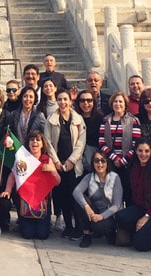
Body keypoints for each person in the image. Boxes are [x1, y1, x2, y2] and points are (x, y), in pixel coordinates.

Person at [114, 138, 151, 251]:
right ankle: (142, 231)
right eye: (140, 151)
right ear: (135, 151)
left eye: (147, 151)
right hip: (143, 207)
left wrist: (146, 217)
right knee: (121, 217)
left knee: (141, 245)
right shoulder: (134, 167)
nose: (143, 154)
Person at [1, 131, 60, 240]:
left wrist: (53, 170)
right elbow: (12, 175)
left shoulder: (47, 159)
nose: (35, 142)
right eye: (32, 140)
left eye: (38, 140)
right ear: (28, 143)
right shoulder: (22, 158)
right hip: (25, 202)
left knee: (42, 235)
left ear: (42, 144)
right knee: (27, 235)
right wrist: (8, 190)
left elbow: (57, 182)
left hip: (42, 203)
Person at [45, 89, 86, 240]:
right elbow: (47, 142)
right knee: (62, 197)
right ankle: (67, 226)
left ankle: (78, 227)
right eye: (60, 99)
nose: (62, 102)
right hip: (58, 163)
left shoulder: (78, 119)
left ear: (70, 101)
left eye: (65, 99)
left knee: (74, 195)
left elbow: (81, 143)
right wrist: (55, 161)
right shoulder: (51, 119)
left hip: (73, 164)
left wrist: (71, 160)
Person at [72, 150, 123, 248]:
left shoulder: (115, 177)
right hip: (94, 211)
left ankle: (109, 232)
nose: (100, 164)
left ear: (107, 162)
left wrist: (101, 216)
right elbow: (76, 192)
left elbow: (117, 205)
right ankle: (86, 234)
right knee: (80, 201)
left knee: (101, 226)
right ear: (93, 163)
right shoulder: (89, 177)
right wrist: (86, 207)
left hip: (109, 215)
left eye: (103, 161)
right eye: (96, 161)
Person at [99, 91, 141, 204]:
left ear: (125, 104)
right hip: (111, 162)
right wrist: (114, 158)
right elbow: (102, 142)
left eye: (120, 101)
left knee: (128, 193)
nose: (118, 104)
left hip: (128, 163)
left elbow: (136, 143)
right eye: (115, 101)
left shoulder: (133, 121)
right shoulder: (106, 120)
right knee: (112, 195)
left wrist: (123, 160)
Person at [74, 89, 104, 171]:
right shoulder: (74, 117)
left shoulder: (100, 118)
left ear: (94, 102)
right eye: (82, 100)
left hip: (93, 156)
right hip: (76, 154)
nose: (86, 103)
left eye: (89, 100)